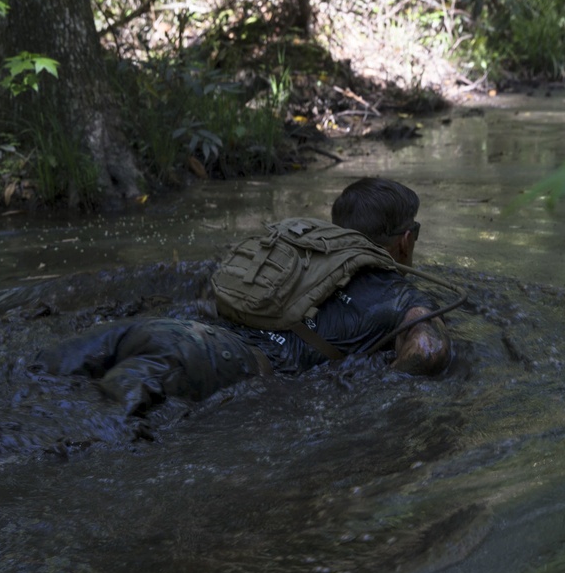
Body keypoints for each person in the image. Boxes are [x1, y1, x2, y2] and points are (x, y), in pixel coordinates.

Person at [33, 177, 451, 415]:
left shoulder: (297, 253)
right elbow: (427, 351)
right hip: (215, 363)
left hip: (161, 332)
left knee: (35, 380)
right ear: (405, 241)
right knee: (79, 428)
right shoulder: (400, 294)